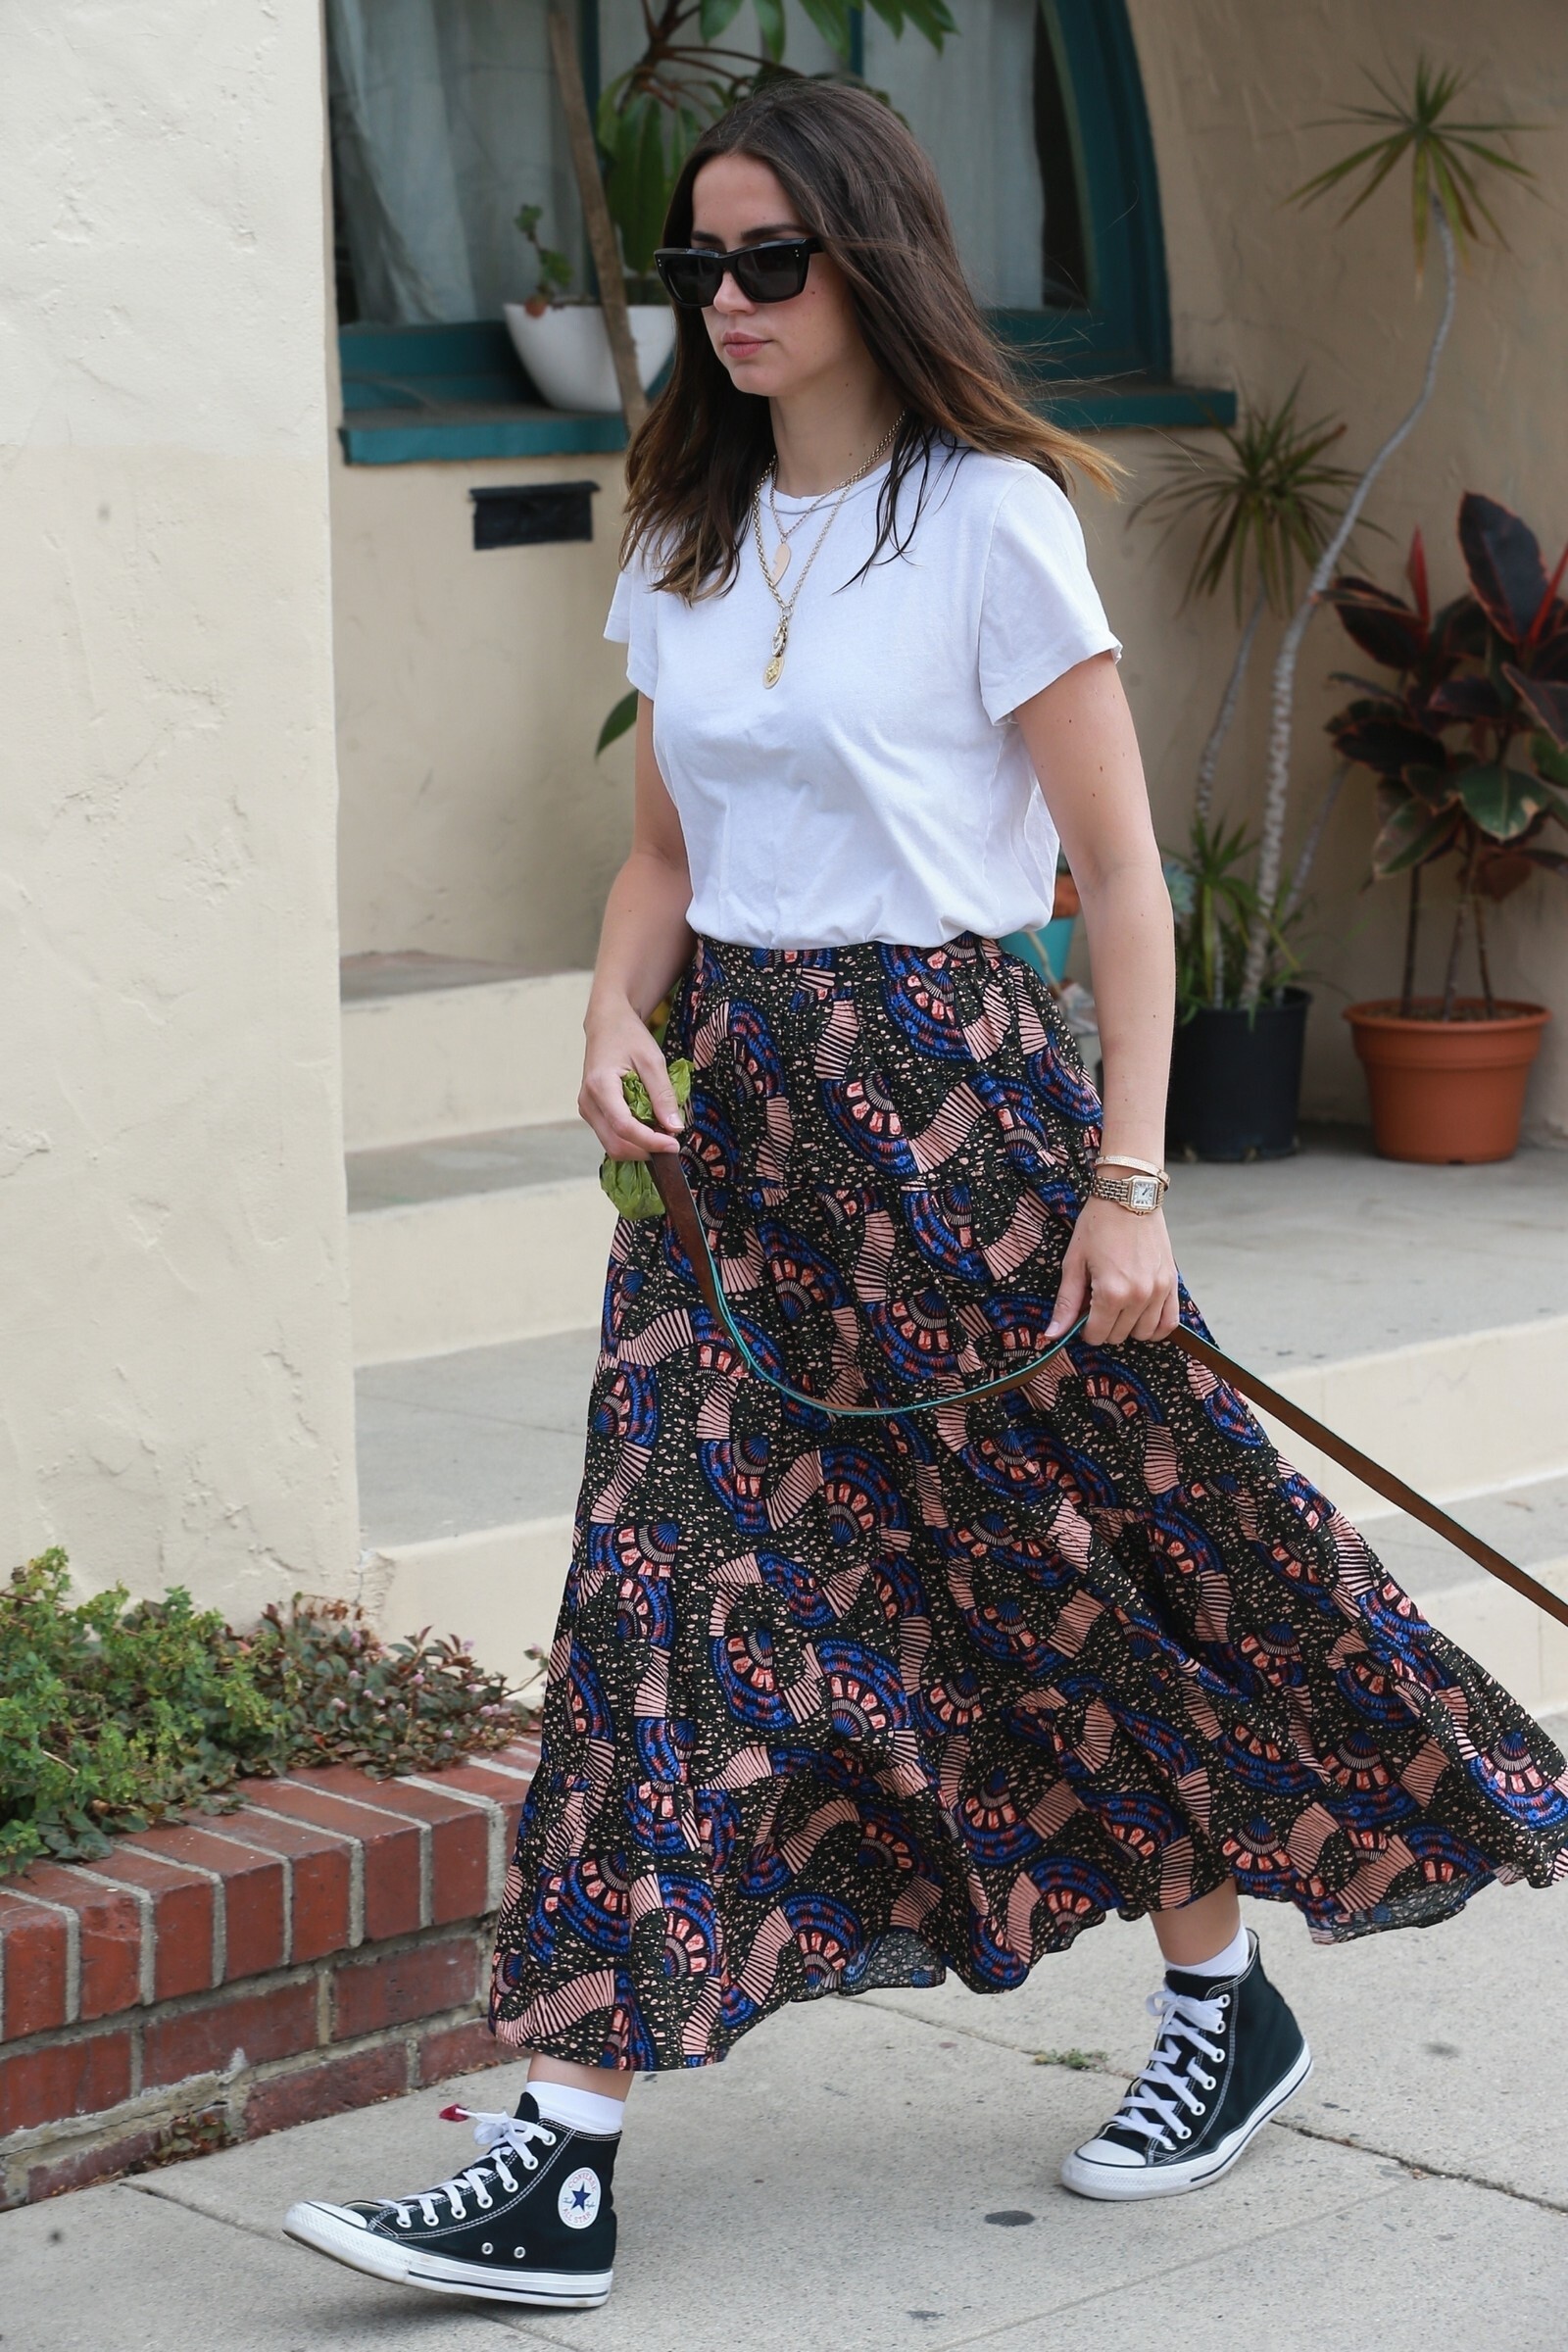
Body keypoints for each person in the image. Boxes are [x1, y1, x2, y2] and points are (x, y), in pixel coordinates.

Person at [284, 78, 1568, 2308]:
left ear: (868, 261)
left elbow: (1121, 881)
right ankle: (563, 2149)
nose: (727, 300)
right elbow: (665, 853)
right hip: (739, 1146)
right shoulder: (684, 531)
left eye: (769, 259)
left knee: (1060, 1573)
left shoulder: (986, 522)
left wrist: (1127, 1185)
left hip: (954, 1115)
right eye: (698, 264)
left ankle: (1218, 2002)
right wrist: (608, 1014)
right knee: (652, 1592)